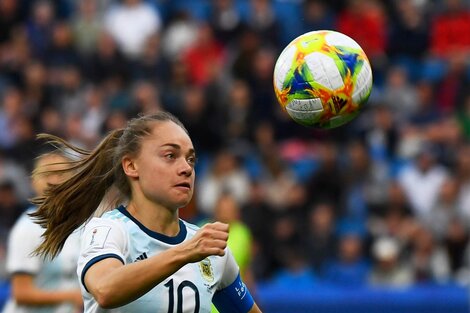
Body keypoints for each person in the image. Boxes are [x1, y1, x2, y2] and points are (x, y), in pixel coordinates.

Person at [30, 112, 262, 313]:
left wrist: (192, 248)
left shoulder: (210, 251)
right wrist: (186, 251)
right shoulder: (109, 230)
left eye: (190, 159)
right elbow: (105, 289)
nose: (186, 168)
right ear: (131, 166)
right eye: (170, 156)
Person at [2, 150, 83, 313]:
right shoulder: (27, 228)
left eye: (61, 173)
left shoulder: (82, 225)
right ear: (33, 182)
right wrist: (74, 296)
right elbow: (21, 293)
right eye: (47, 174)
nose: (54, 180)